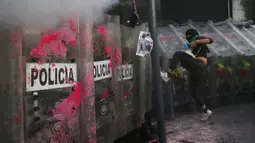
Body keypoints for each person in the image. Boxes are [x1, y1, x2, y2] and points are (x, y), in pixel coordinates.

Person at [162, 28, 213, 121]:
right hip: (196, 70)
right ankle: (205, 110)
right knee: (193, 92)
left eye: (189, 38)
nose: (189, 40)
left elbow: (210, 40)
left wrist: (197, 41)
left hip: (199, 66)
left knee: (177, 54)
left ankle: (168, 74)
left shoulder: (198, 38)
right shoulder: (191, 47)